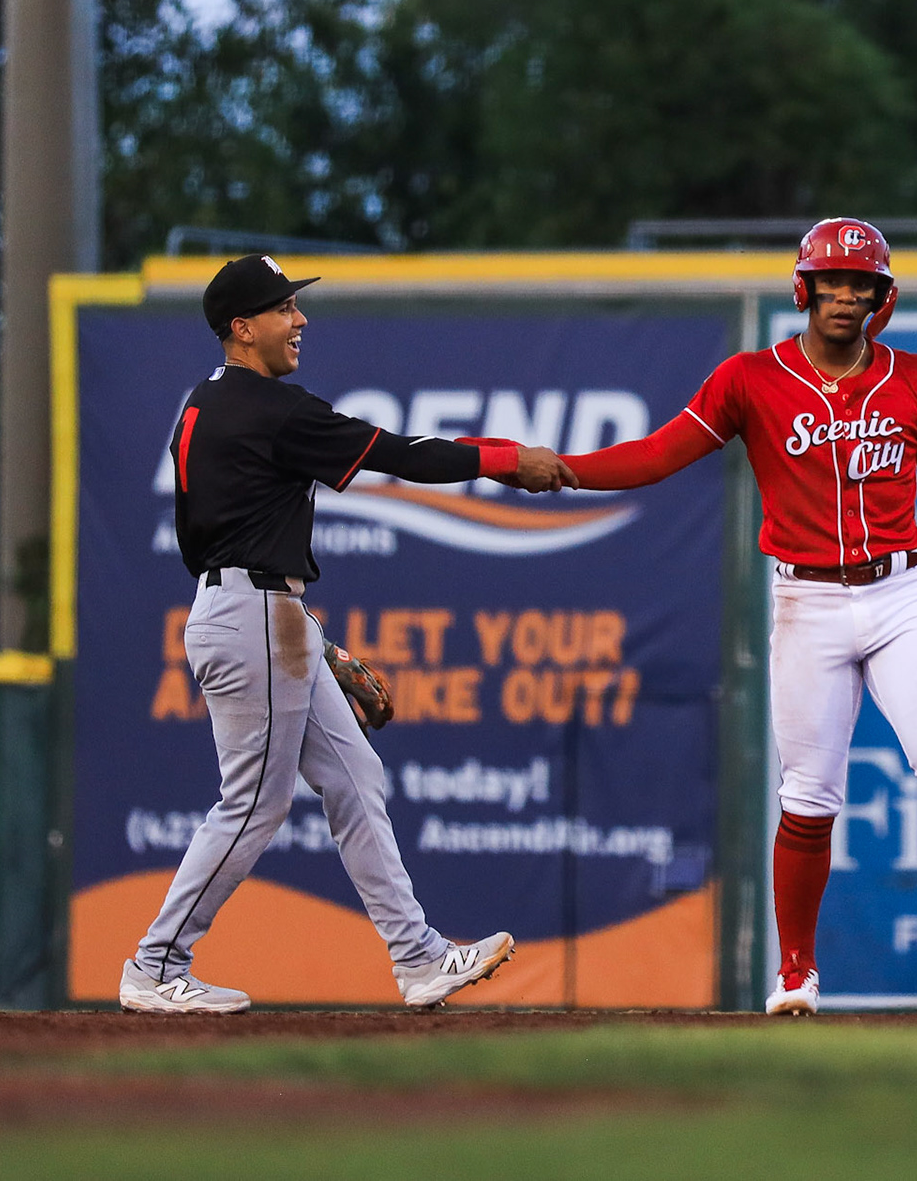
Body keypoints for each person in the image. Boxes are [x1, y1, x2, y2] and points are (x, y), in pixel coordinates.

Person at [555, 218, 917, 1014]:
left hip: (898, 592)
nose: (847, 295)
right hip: (807, 599)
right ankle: (797, 968)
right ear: (805, 288)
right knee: (809, 792)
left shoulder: (914, 377)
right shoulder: (750, 378)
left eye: (862, 284)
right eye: (833, 281)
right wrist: (566, 469)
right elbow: (659, 454)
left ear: (883, 296)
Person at [119, 253, 578, 1013]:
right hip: (254, 617)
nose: (298, 319)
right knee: (253, 804)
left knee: (355, 777)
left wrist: (309, 639)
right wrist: (504, 460)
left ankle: (419, 958)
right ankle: (155, 963)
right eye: (282, 309)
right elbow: (402, 455)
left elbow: (233, 536)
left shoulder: (204, 403)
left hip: (262, 612)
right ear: (242, 328)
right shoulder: (272, 409)